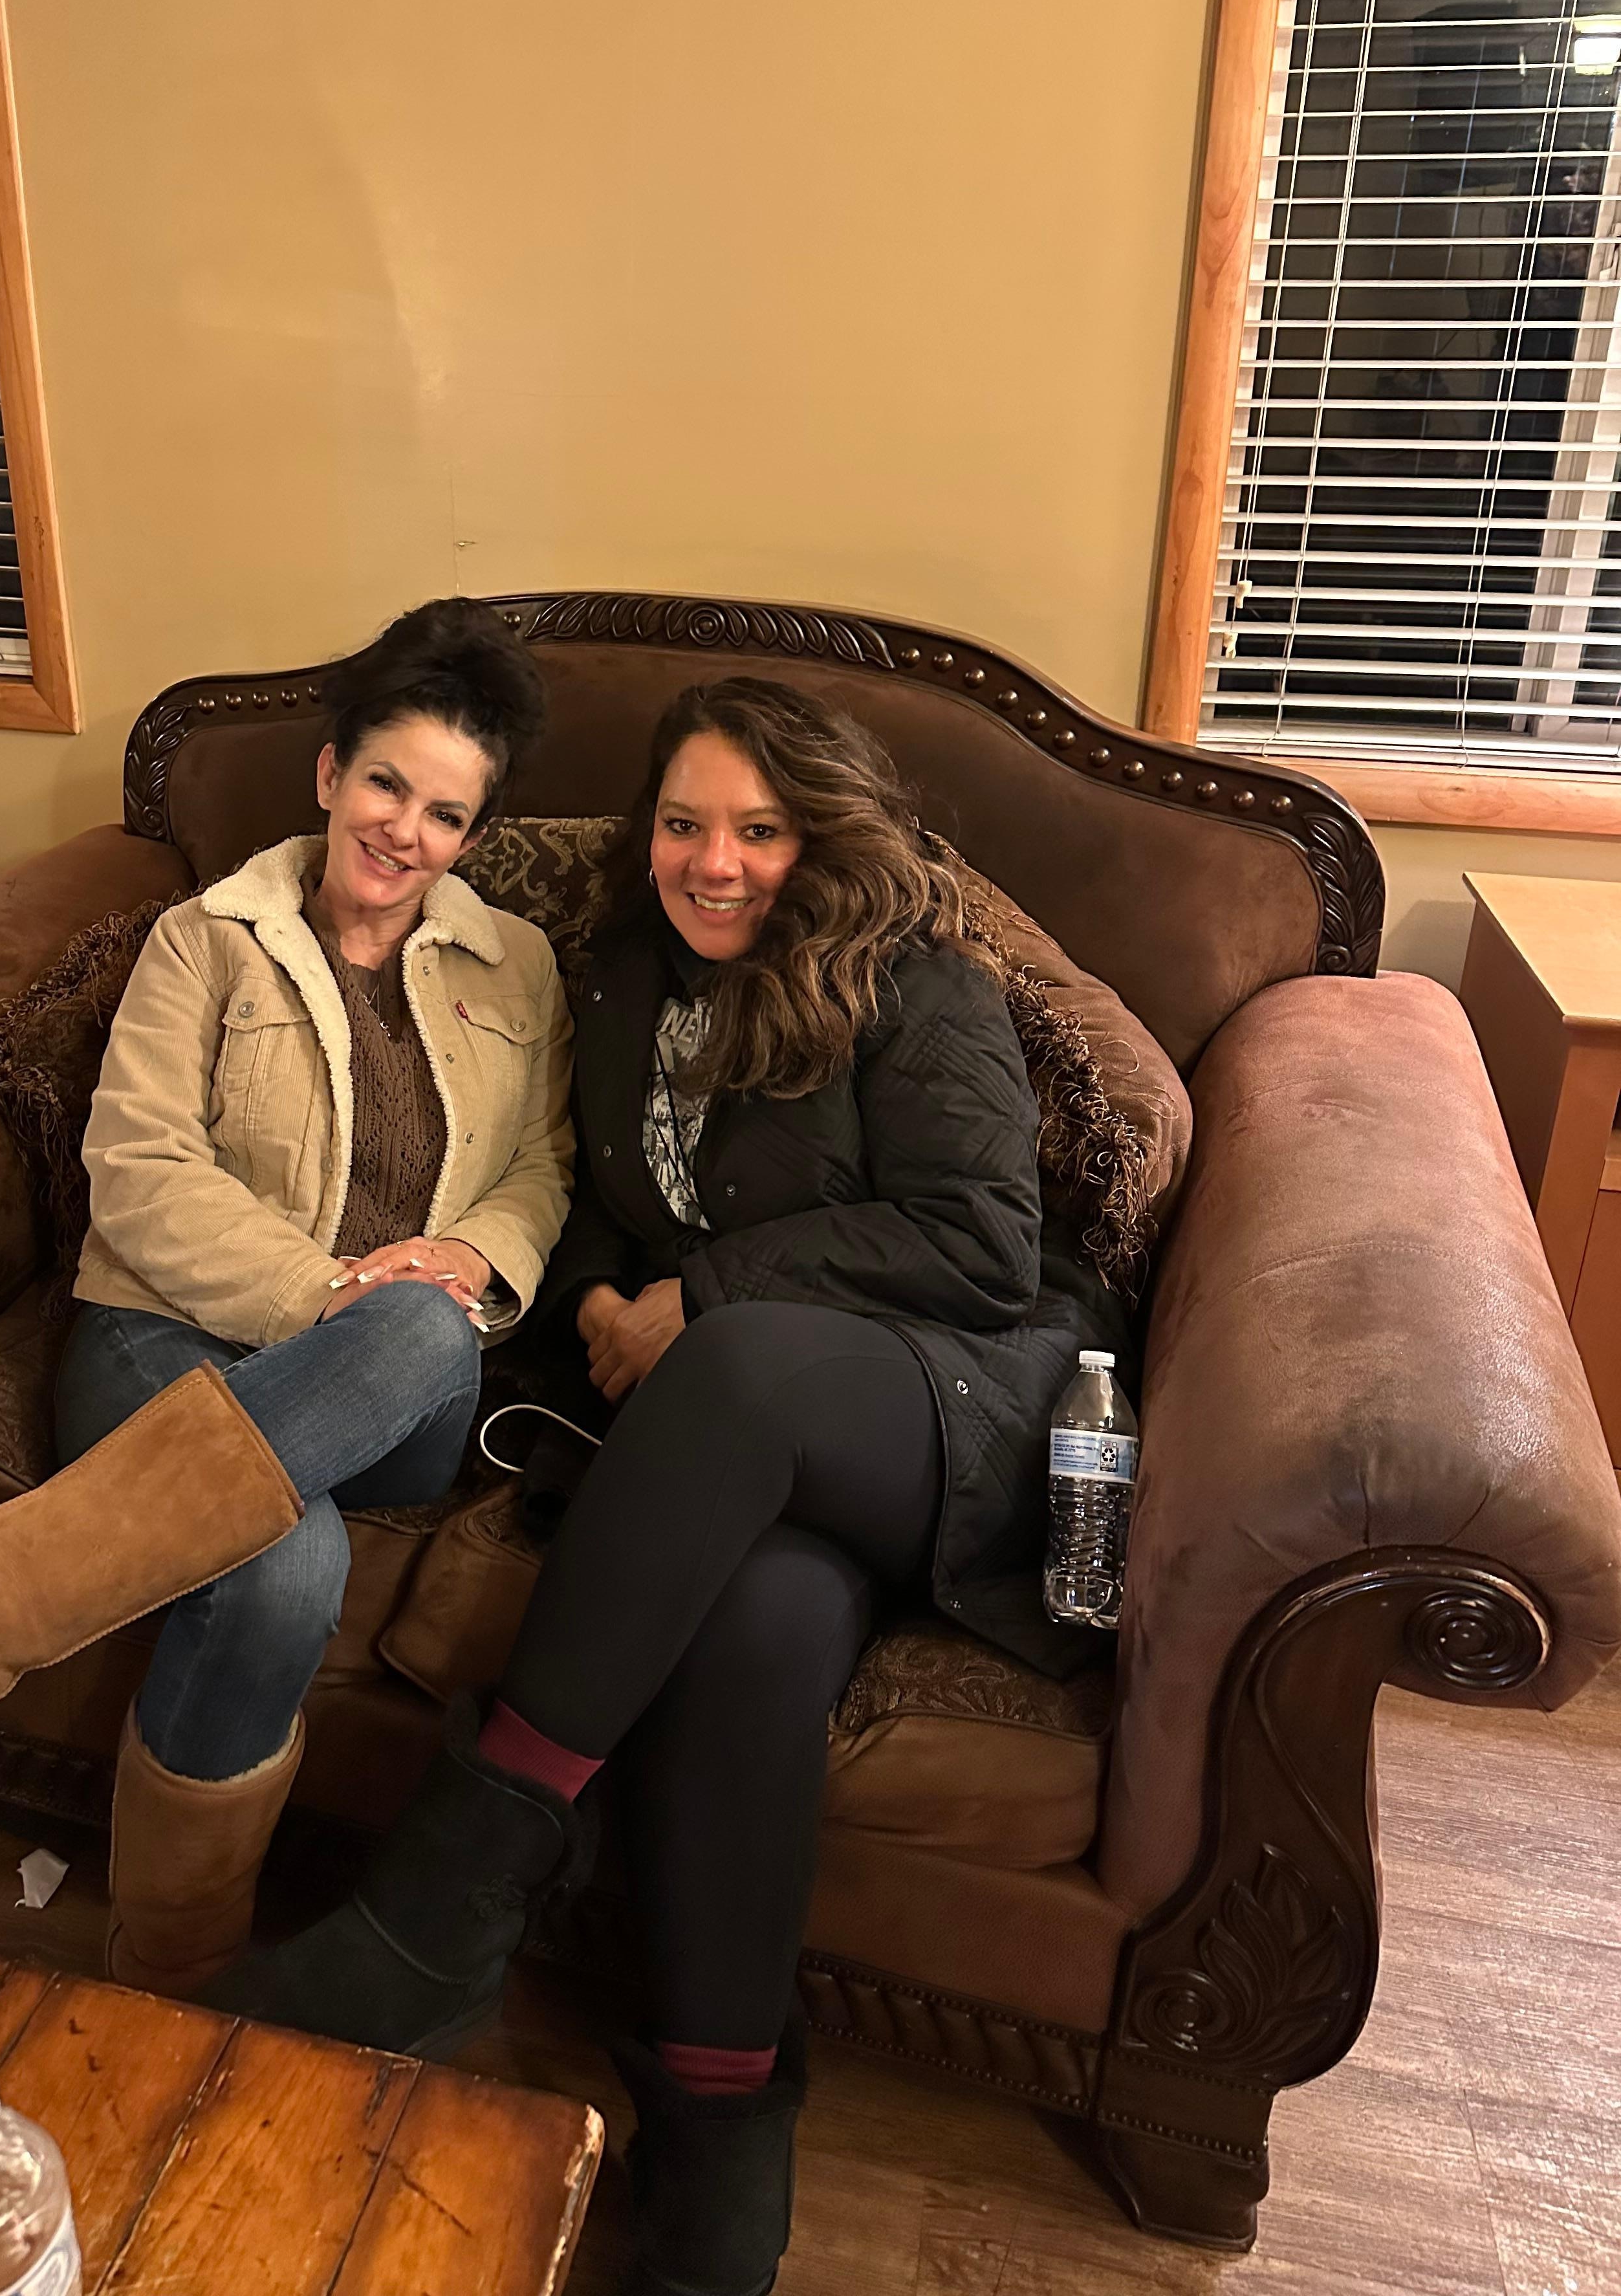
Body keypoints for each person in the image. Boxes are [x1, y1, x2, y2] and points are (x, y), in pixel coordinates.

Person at [210, 676, 1135, 2296]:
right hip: (748, 1444)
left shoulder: (917, 984)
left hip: (947, 1397)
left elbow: (984, 1247)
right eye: (687, 824)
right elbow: (604, 1200)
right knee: (758, 1627)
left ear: (822, 838)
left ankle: (441, 1905)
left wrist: (699, 1301)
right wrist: (590, 1299)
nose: (717, 863)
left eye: (760, 831)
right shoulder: (628, 978)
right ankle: (720, 2139)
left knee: (741, 1362)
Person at [0, 599, 575, 2004]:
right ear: (331, 773)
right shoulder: (204, 942)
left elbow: (543, 1164)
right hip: (162, 1335)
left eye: (446, 813)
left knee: (412, 1328)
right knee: (282, 1565)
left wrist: (464, 1264)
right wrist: (323, 1291)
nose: (405, 832)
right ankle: (176, 1966)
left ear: (474, 834)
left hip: (405, 1375)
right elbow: (140, 1170)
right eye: (387, 784)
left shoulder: (518, 969)